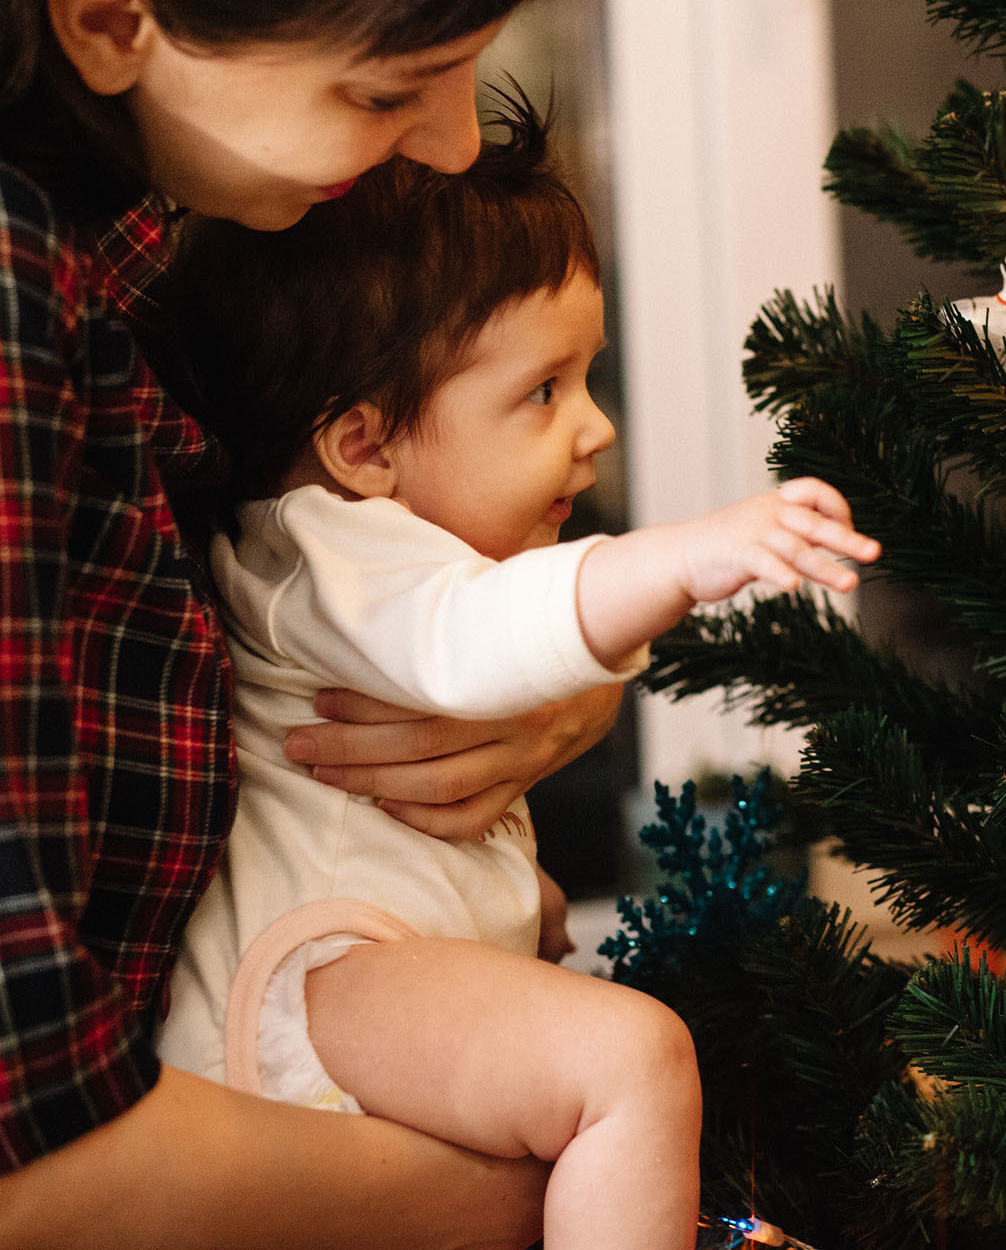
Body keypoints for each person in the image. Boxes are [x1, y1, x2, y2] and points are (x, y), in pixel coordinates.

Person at [152, 91, 878, 1250]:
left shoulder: (353, 545)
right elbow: (474, 635)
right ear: (366, 446)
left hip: (352, 977)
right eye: (541, 391)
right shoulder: (325, 540)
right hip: (325, 987)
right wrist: (682, 559)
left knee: (555, 956)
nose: (591, 429)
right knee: (629, 1058)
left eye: (586, 379)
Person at [0, 0, 633, 1245]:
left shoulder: (161, 234)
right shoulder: (20, 297)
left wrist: (544, 690)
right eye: (386, 89)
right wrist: (540, 1181)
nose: (456, 146)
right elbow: (30, 1146)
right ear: (111, 26)